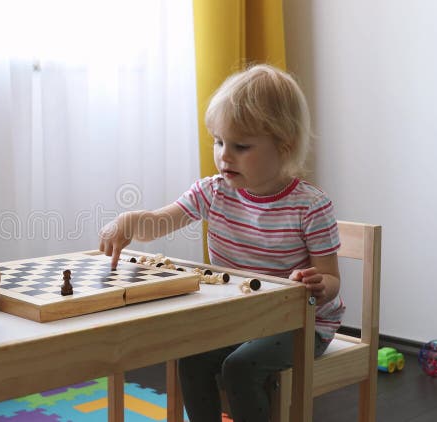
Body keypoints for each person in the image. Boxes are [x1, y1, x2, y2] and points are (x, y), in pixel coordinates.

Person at [98, 64, 343, 421]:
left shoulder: (310, 206)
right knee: (192, 356)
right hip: (240, 317)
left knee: (240, 368)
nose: (224, 155)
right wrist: (129, 222)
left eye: (241, 146)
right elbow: (156, 225)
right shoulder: (212, 191)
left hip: (302, 325)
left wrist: (320, 285)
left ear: (284, 147)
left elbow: (332, 279)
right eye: (218, 141)